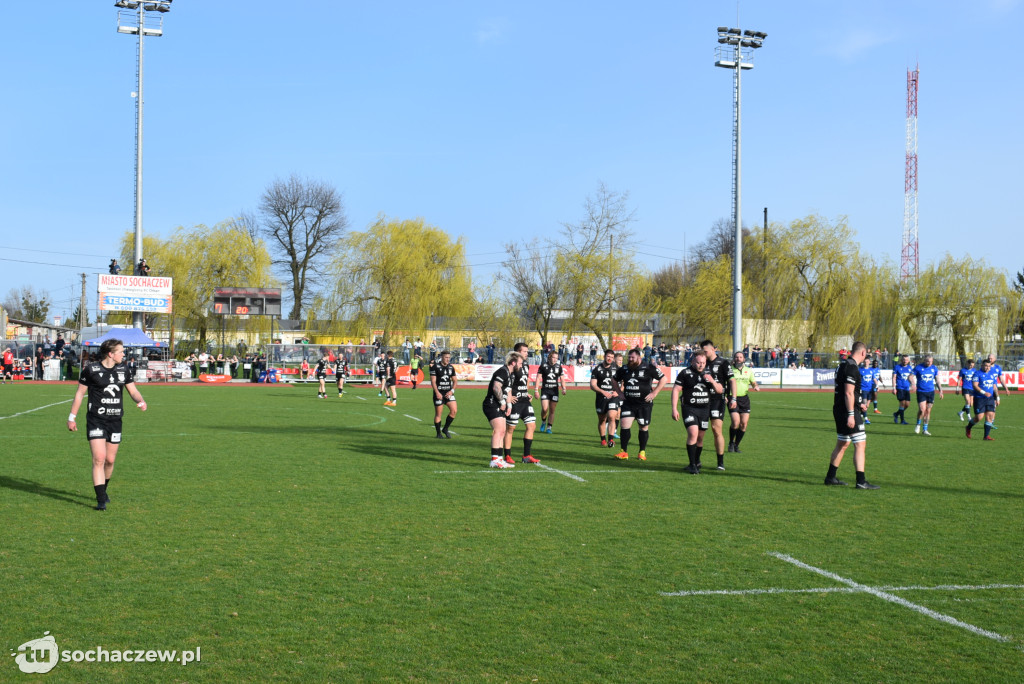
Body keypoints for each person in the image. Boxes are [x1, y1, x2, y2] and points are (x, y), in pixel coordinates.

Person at [67, 338, 148, 510]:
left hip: (115, 420)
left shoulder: (123, 369)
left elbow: (132, 390)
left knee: (110, 461)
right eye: (121, 351)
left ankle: (104, 490)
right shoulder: (91, 369)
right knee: (99, 459)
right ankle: (101, 500)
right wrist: (72, 417)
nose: (123, 354)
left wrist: (140, 400)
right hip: (96, 419)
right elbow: (80, 394)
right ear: (111, 354)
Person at [824, 341, 879, 489]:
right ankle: (861, 481)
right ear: (862, 353)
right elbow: (848, 392)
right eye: (866, 354)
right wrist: (851, 413)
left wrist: (859, 402)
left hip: (841, 408)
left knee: (843, 443)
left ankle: (830, 477)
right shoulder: (852, 367)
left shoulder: (844, 364)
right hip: (847, 410)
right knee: (860, 444)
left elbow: (849, 391)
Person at [612, 347, 667, 461]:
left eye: (633, 357)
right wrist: (619, 392)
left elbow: (663, 379)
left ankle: (642, 452)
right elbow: (613, 380)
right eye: (629, 357)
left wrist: (654, 393)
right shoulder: (625, 368)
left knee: (643, 427)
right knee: (624, 425)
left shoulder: (649, 367)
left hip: (644, 404)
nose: (630, 359)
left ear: (639, 357)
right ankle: (623, 451)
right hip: (628, 403)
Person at [671, 350, 721, 474]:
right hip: (689, 408)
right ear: (693, 361)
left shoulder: (710, 373)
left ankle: (696, 461)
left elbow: (720, 390)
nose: (701, 365)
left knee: (700, 438)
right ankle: (692, 465)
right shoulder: (685, 373)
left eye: (703, 363)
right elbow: (676, 390)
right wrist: (674, 408)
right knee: (693, 433)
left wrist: (712, 381)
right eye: (698, 362)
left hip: (704, 410)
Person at [482, 351, 523, 469]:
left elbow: (508, 390)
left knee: (503, 431)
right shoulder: (502, 371)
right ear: (513, 362)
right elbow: (496, 387)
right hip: (491, 404)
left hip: (500, 404)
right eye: (520, 363)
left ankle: (499, 459)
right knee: (498, 430)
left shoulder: (511, 374)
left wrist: (509, 405)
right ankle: (494, 460)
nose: (521, 366)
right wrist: (502, 402)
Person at [701, 340, 736, 471]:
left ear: (712, 350)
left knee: (716, 430)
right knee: (699, 432)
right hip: (701, 400)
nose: (703, 354)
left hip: (717, 400)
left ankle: (720, 462)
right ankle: (695, 461)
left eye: (705, 351)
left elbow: (732, 381)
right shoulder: (700, 362)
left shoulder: (723, 363)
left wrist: (734, 398)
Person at [504, 343, 540, 464]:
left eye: (527, 351)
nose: (526, 353)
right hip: (515, 401)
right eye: (524, 351)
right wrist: (509, 397)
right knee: (511, 429)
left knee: (531, 426)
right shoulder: (512, 365)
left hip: (524, 400)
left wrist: (526, 392)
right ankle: (507, 456)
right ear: (517, 353)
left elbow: (527, 379)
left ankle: (526, 456)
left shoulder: (525, 365)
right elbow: (506, 381)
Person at [728, 351, 759, 454]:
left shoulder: (748, 370)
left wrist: (755, 386)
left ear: (744, 359)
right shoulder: (729, 370)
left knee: (744, 424)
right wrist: (725, 397)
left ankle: (736, 445)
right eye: (736, 357)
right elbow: (724, 384)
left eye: (740, 357)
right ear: (734, 358)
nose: (738, 359)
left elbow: (753, 381)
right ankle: (731, 442)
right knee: (735, 422)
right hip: (733, 398)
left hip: (744, 399)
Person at [590, 350, 621, 449]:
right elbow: (592, 385)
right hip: (601, 398)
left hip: (613, 397)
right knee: (602, 419)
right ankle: (603, 439)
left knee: (612, 416)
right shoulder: (597, 369)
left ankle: (611, 439)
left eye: (612, 357)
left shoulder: (617, 368)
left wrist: (619, 391)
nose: (610, 359)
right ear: (604, 356)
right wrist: (603, 392)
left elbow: (624, 382)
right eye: (608, 357)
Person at [535, 350, 567, 434]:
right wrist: (536, 390)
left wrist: (564, 388)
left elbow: (562, 379)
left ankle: (549, 427)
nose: (555, 359)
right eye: (553, 357)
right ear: (550, 357)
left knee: (552, 410)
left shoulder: (559, 367)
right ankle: (543, 422)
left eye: (556, 358)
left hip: (554, 391)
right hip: (545, 390)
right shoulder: (543, 365)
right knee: (545, 409)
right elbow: (538, 378)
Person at [967, 358, 999, 440]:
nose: (987, 367)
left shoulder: (992, 374)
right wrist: (983, 392)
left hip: (990, 399)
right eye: (985, 366)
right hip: (979, 398)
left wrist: (997, 397)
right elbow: (975, 385)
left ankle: (986, 436)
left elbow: (994, 386)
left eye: (989, 366)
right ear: (982, 366)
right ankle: (968, 427)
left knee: (990, 416)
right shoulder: (977, 374)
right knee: (979, 418)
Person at [912, 354, 943, 435]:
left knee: (928, 411)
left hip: (931, 392)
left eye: (930, 361)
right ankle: (918, 424)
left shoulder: (934, 368)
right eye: (926, 361)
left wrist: (940, 390)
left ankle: (925, 429)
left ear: (932, 361)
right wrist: (913, 384)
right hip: (921, 391)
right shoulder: (918, 367)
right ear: (924, 360)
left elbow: (937, 380)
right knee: (922, 410)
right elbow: (910, 376)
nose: (928, 363)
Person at [431, 350, 458, 438]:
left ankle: (445, 429)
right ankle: (438, 433)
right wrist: (437, 393)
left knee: (454, 411)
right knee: (439, 414)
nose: (448, 359)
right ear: (441, 357)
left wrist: (452, 391)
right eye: (446, 357)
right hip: (439, 393)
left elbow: (455, 381)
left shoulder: (451, 367)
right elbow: (433, 382)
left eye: (449, 357)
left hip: (448, 393)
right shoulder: (435, 367)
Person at [892, 355, 914, 424]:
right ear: (901, 360)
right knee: (902, 403)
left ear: (908, 361)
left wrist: (913, 384)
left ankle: (896, 414)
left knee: (907, 405)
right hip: (900, 388)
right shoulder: (897, 367)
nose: (905, 361)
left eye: (906, 360)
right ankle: (902, 420)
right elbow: (893, 378)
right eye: (904, 359)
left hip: (907, 388)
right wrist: (894, 388)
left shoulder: (910, 368)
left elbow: (911, 378)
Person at [859, 359, 879, 425]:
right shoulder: (860, 370)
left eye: (867, 361)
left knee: (867, 405)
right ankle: (866, 419)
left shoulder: (871, 370)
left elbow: (874, 379)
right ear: (863, 362)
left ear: (869, 362)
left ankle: (860, 416)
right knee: (864, 403)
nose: (866, 363)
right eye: (865, 361)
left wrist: (877, 386)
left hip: (870, 390)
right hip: (863, 389)